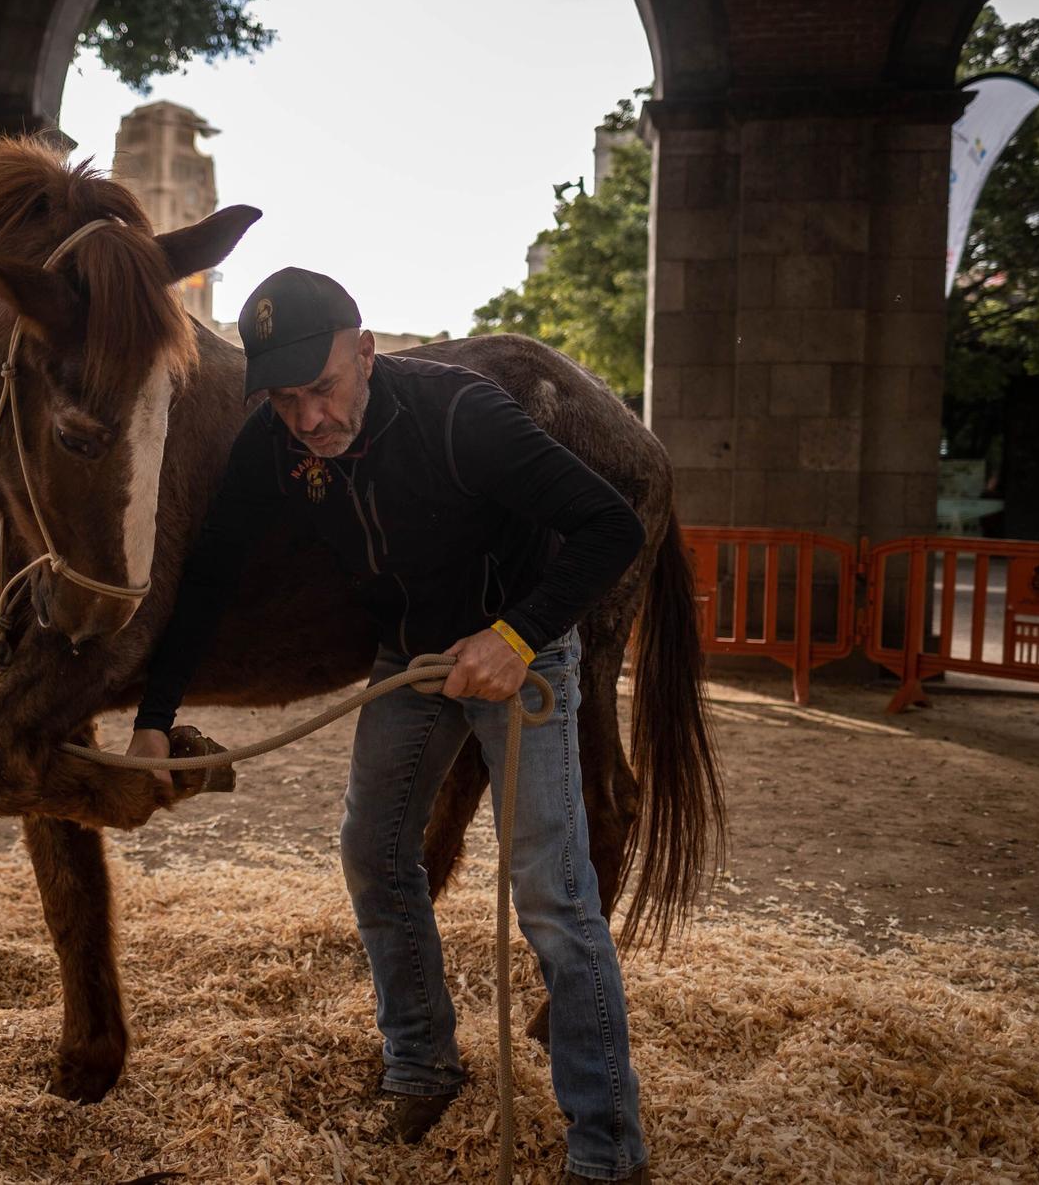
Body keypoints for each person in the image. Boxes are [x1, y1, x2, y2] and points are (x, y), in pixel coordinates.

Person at [129, 268, 651, 1183]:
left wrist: (519, 634)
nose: (309, 418)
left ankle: (609, 1147)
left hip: (524, 653)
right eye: (286, 398)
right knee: (372, 851)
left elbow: (611, 528)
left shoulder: (463, 414)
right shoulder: (275, 444)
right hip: (411, 659)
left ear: (366, 353)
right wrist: (154, 720)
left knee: (553, 895)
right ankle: (421, 1063)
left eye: (323, 388)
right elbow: (208, 580)